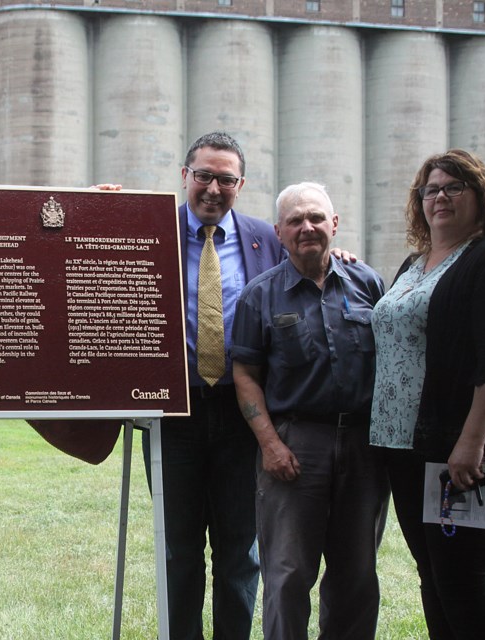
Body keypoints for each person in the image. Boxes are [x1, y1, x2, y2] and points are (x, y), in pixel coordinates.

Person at [369, 149, 485, 639]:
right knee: (432, 575)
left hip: (461, 451)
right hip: (404, 448)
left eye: (454, 187)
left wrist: (471, 442)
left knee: (464, 582)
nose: (440, 197)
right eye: (431, 189)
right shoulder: (413, 264)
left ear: (482, 198)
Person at [232, 182, 389, 640]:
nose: (307, 227)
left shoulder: (369, 284)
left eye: (317, 218)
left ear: (334, 224)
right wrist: (270, 445)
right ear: (279, 232)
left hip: (363, 447)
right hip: (296, 446)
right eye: (296, 220)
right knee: (287, 574)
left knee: (356, 574)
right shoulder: (259, 297)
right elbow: (245, 375)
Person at [148, 131, 282, 640]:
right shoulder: (148, 229)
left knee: (239, 550)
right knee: (178, 547)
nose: (212, 188)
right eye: (203, 175)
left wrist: (344, 256)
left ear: (239, 185)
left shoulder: (264, 240)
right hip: (173, 413)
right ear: (185, 177)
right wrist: (100, 207)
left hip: (241, 411)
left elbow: (307, 267)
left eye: (226, 179)